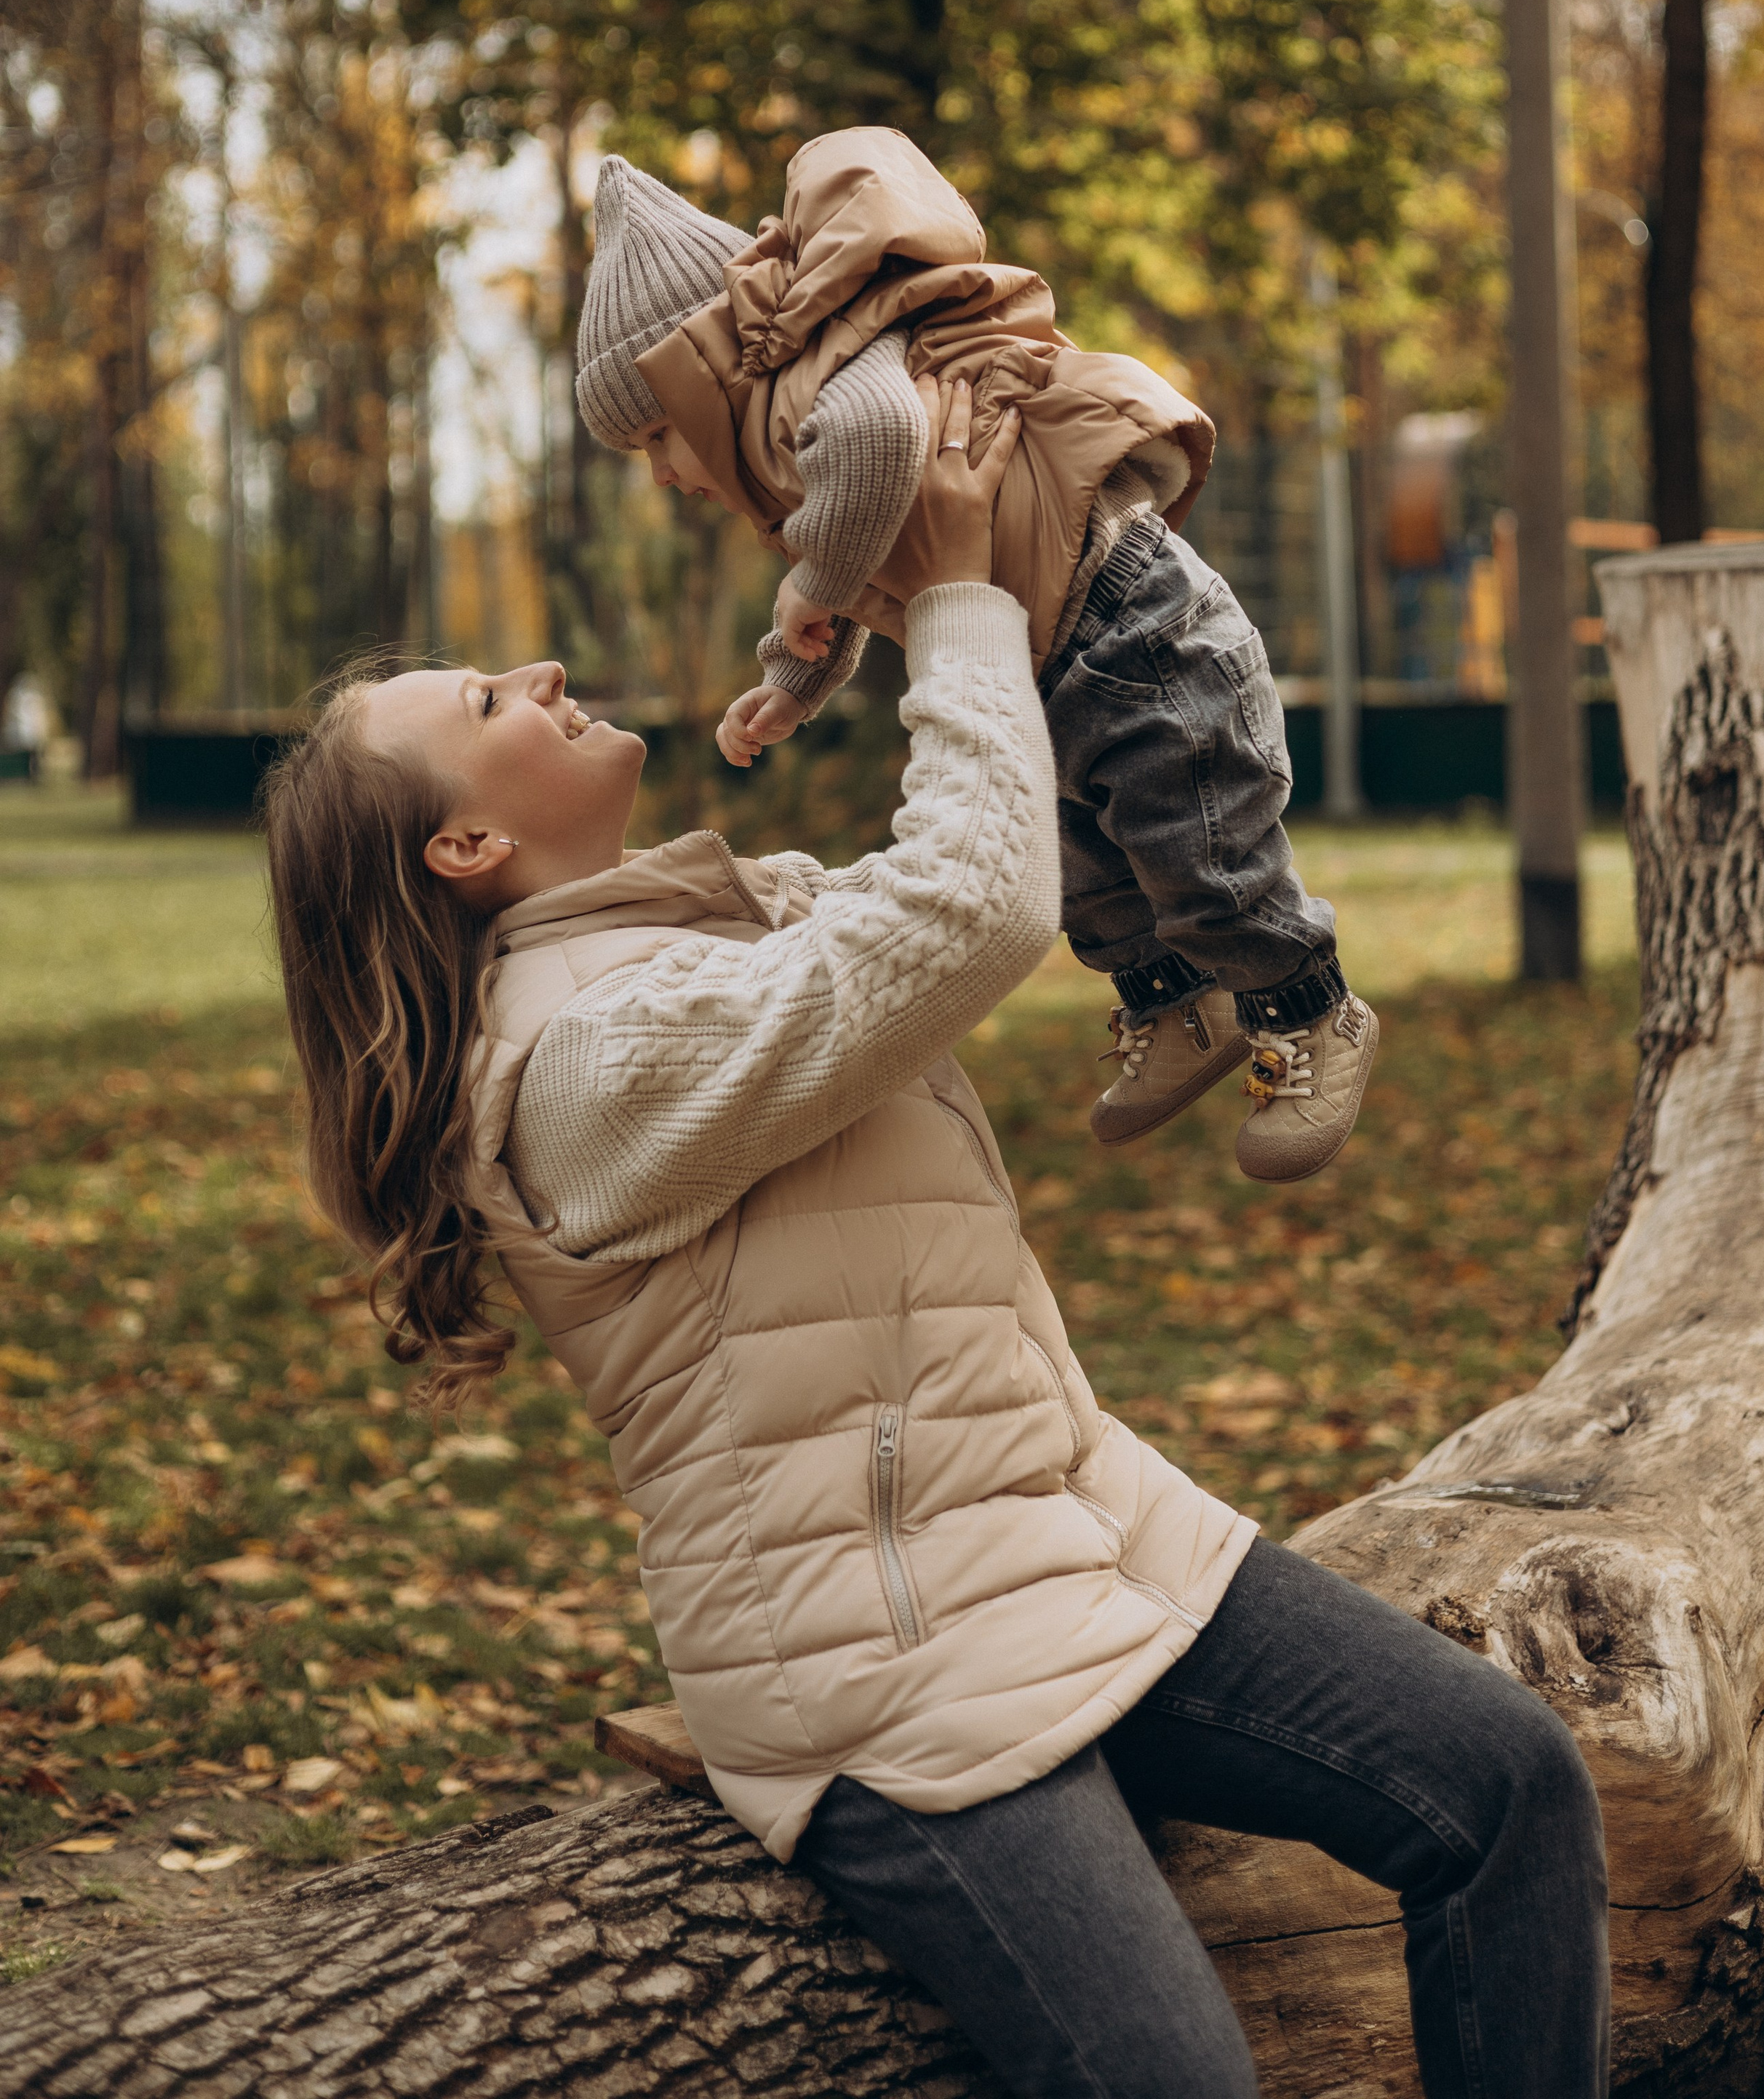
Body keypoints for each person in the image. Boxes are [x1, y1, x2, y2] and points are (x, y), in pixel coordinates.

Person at [263, 385, 1609, 2099]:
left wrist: (898, 578)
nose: (531, 674)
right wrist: (957, 601)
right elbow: (968, 911)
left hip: (1080, 1531)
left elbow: (998, 840)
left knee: (1505, 1788)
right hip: (875, 1652)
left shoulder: (741, 920)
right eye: (481, 699)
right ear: (466, 845)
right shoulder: (581, 1070)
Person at [571, 125, 1376, 1184]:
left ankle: (1316, 1012)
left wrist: (809, 582)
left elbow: (879, 453)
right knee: (1086, 877)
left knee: (1203, 862)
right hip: (1048, 661)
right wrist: (793, 675)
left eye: (656, 440)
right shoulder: (781, 429)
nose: (665, 476)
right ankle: (1181, 1003)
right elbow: (876, 568)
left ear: (693, 382)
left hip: (1135, 629)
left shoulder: (822, 390)